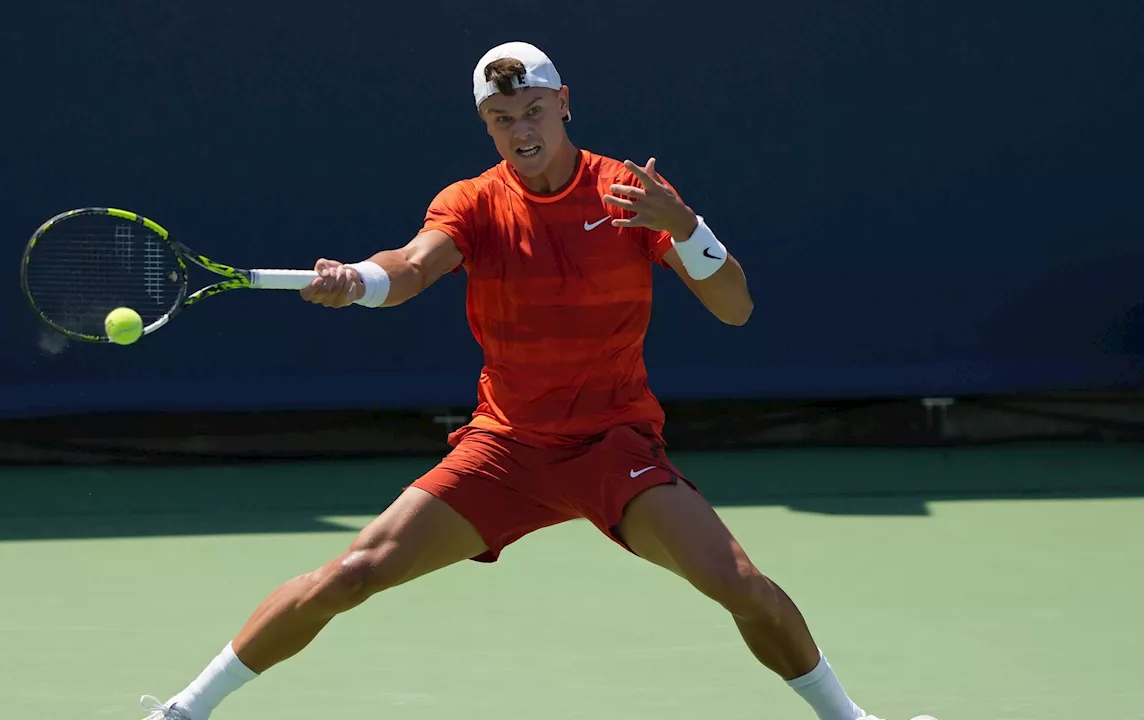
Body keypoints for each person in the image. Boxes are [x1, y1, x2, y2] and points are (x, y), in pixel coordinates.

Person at [138, 41, 936, 720]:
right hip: (505, 451)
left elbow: (736, 308)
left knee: (741, 585)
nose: (520, 131)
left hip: (612, 447)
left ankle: (850, 717)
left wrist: (684, 226)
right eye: (501, 119)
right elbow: (413, 267)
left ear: (563, 104)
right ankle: (183, 710)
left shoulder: (629, 193)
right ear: (486, 124)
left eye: (533, 112)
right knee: (353, 572)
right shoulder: (473, 204)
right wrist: (359, 281)